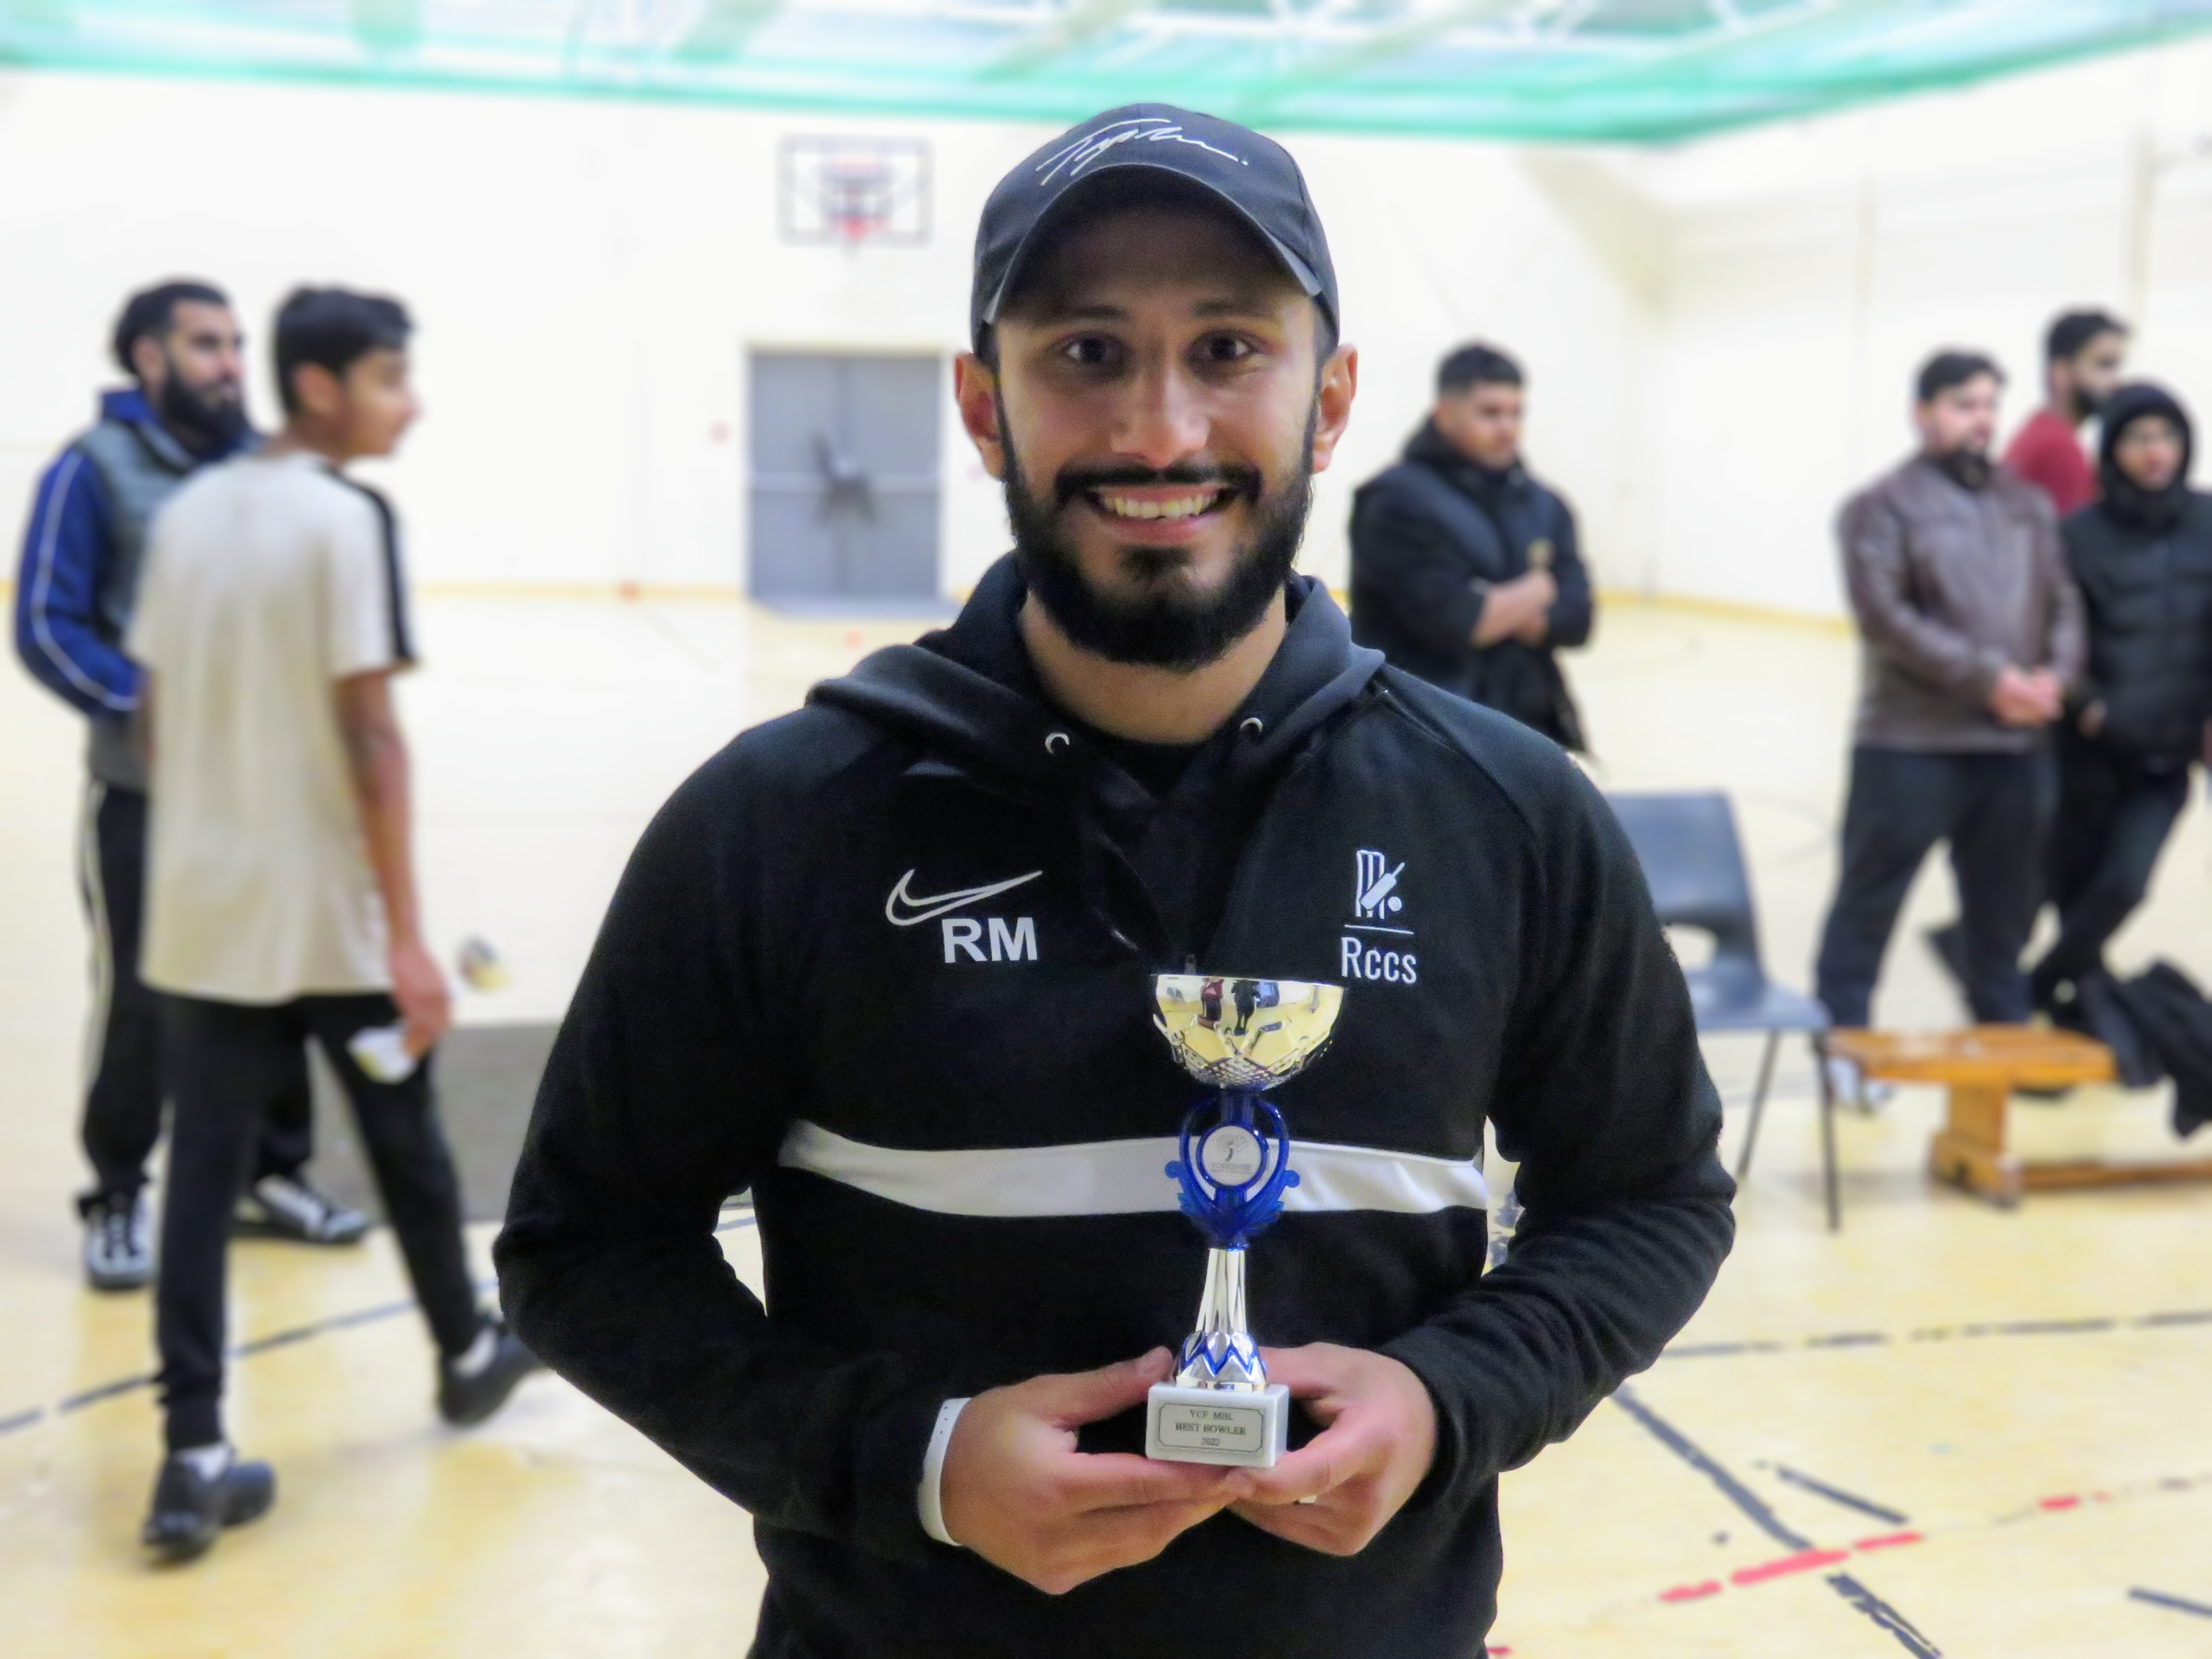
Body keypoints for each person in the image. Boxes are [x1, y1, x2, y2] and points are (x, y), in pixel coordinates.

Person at [498, 104, 1733, 1659]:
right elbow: (585, 1249)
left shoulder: (1511, 814)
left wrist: (1446, 1399)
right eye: (1086, 352)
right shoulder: (778, 821)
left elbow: (1646, 1196)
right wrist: (922, 1467)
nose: (1160, 433)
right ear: (980, 402)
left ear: (1330, 397)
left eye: (1228, 349)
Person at [127, 288, 538, 1562]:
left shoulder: (190, 510)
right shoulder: (346, 519)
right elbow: (370, 734)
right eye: (389, 378)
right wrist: (409, 941)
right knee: (403, 1131)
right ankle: (466, 1348)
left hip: (201, 910)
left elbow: (147, 717)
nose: (406, 404)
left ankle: (190, 1454)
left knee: (200, 1175)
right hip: (326, 914)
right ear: (319, 388)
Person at [11, 280, 363, 1293]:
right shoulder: (92, 472)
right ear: (148, 357)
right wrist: (163, 709)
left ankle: (273, 1175)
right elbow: (45, 624)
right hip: (148, 799)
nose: (227, 363)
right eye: (205, 344)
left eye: (234, 343)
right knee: (145, 1000)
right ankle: (119, 1192)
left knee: (285, 984)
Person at [1815, 351, 2085, 1033]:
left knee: (2002, 920)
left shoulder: (2025, 504)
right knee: (1867, 907)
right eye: (1965, 404)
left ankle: (1999, 1051)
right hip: (1910, 745)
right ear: (1923, 412)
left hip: (2015, 749)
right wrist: (1992, 680)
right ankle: (1842, 1051)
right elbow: (1887, 621)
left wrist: (2053, 679)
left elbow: (2064, 602)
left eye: (1991, 405)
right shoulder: (1877, 508)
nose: (1981, 420)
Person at [2029, 384, 2212, 1011]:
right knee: (2073, 891)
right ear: (2112, 450)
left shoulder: (2207, 521)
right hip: (2087, 752)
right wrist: (2086, 704)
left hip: (2166, 756)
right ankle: (2075, 1003)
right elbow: (2047, 631)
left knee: (2124, 886)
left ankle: (2036, 987)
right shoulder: (2078, 533)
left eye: (2166, 436)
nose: (2155, 451)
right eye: (2138, 438)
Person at [1348, 342, 1593, 748]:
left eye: (1516, 413)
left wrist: (1499, 606)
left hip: (1530, 730)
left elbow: (1579, 620)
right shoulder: (1393, 501)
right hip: (1419, 731)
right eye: (1490, 413)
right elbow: (1457, 622)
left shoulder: (1547, 506)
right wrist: (1539, 588)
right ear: (1445, 414)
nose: (1507, 428)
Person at [2004, 310, 2128, 517]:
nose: (2116, 382)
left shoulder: (2040, 431)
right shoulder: (2060, 449)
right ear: (2061, 372)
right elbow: (2074, 543)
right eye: (2104, 365)